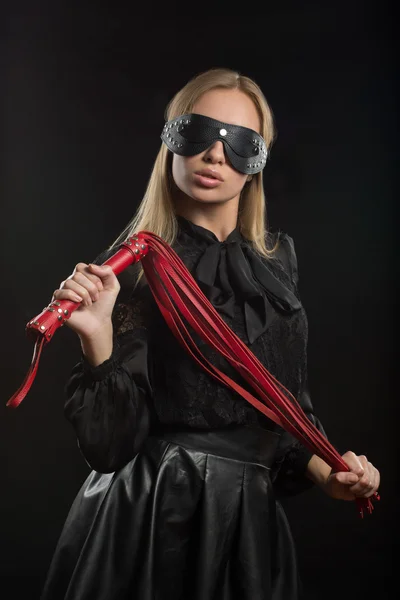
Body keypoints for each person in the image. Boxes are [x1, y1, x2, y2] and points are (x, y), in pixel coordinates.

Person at [39, 67, 380, 600]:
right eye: (200, 133)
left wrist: (328, 471)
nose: (217, 155)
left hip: (250, 523)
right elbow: (111, 448)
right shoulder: (131, 266)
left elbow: (281, 408)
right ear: (172, 141)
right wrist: (97, 336)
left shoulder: (275, 263)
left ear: (257, 164)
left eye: (240, 143)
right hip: (153, 516)